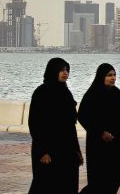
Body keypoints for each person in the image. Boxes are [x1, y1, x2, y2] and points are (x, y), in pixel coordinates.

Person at [78, 63, 120, 194]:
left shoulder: (116, 92)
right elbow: (82, 116)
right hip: (99, 145)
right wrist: (100, 132)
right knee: (99, 180)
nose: (113, 78)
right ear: (102, 76)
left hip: (117, 143)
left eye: (114, 75)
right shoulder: (92, 93)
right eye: (109, 75)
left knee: (119, 175)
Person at [28, 57, 83, 194]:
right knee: (44, 186)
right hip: (48, 151)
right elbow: (35, 124)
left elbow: (70, 126)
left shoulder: (66, 93)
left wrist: (77, 150)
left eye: (66, 70)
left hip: (67, 151)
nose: (65, 73)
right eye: (61, 70)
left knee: (68, 186)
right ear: (53, 71)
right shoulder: (41, 93)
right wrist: (42, 151)